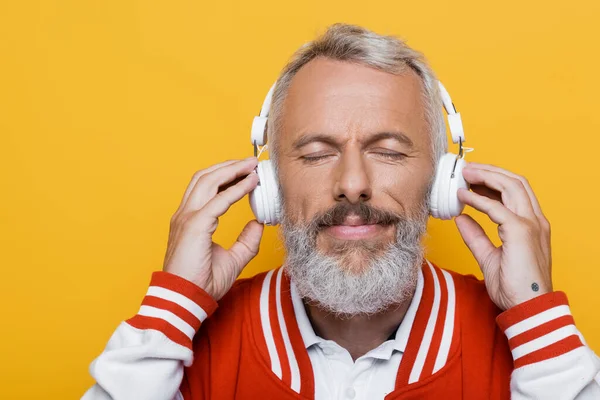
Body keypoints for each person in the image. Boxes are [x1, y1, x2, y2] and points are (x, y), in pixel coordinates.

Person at [82, 23, 600, 399]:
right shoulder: (190, 346)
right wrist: (174, 306)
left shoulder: (518, 343)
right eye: (315, 153)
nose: (352, 185)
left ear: (443, 180)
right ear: (269, 183)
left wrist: (536, 316)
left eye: (390, 150)